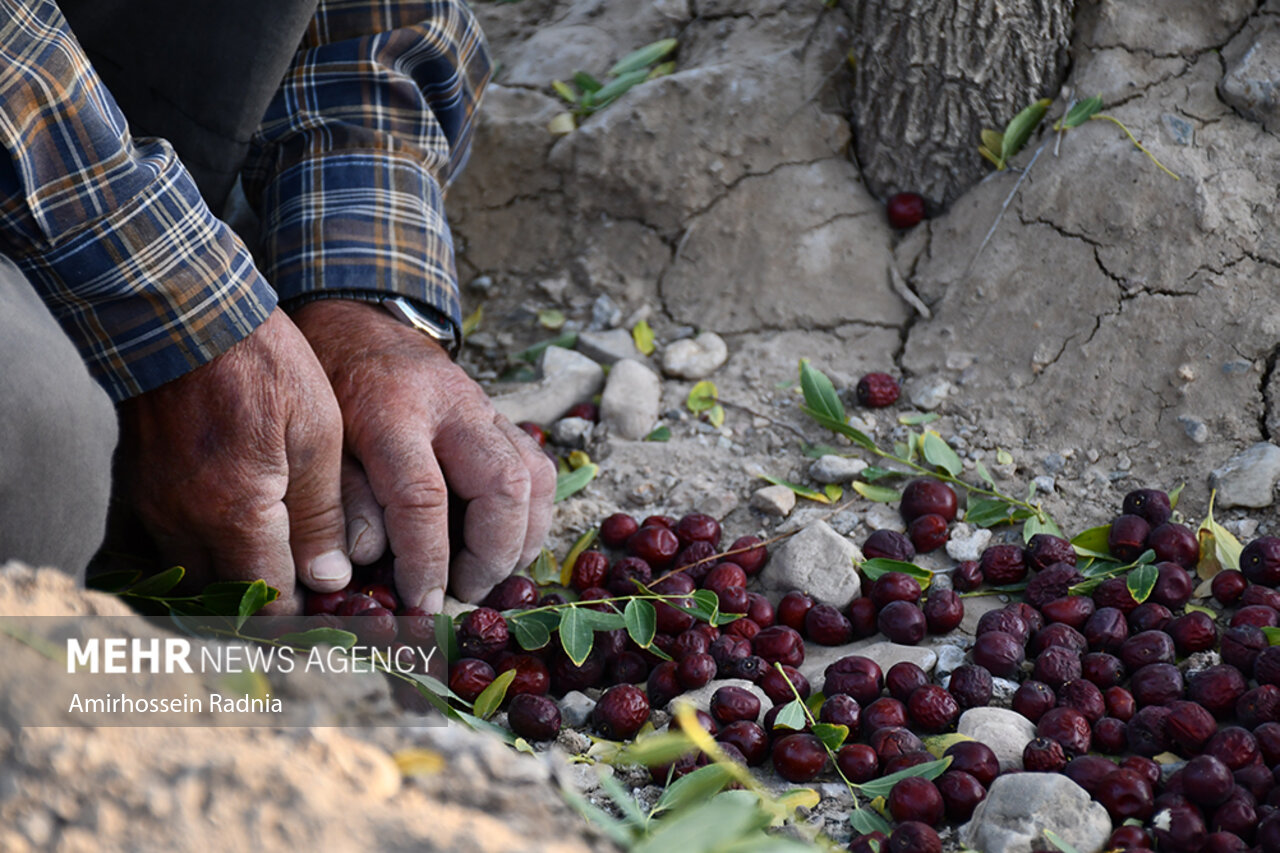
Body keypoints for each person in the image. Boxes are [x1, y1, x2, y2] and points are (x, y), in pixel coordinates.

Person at [0, 0, 555, 613]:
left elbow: (371, 19)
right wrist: (179, 315)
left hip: (144, 148)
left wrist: (357, 305)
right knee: (40, 437)